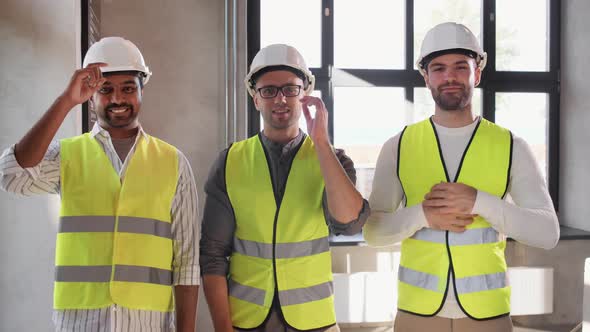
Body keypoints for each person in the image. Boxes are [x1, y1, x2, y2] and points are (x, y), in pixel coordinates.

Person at [365, 22, 560, 332]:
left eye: (460, 66)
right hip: (417, 315)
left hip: (488, 316)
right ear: (425, 77)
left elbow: (548, 233)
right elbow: (373, 232)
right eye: (439, 68)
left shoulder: (512, 146)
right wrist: (422, 215)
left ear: (477, 73)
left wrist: (480, 202)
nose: (450, 76)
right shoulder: (398, 146)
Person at [0, 37, 199, 332]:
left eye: (128, 88)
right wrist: (66, 100)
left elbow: (187, 262)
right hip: (80, 324)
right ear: (91, 96)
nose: (117, 99)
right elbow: (12, 174)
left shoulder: (174, 162)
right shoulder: (67, 156)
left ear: (142, 90)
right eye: (105, 90)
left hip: (148, 324)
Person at [199, 44, 369, 332]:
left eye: (291, 89)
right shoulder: (230, 162)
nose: (280, 98)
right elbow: (213, 255)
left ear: (304, 95)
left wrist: (322, 144)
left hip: (314, 322)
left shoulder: (333, 160)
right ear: (255, 99)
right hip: (246, 321)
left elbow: (350, 222)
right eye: (269, 90)